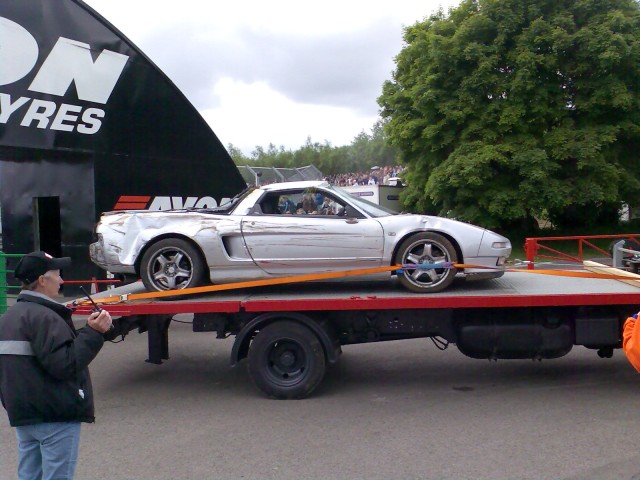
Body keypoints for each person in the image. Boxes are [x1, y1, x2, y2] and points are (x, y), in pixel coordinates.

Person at [0, 251, 113, 480]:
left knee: (29, 476)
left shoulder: (9, 317)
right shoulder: (47, 317)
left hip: (23, 414)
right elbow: (65, 364)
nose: (61, 280)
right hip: (55, 414)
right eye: (57, 274)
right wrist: (94, 333)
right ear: (42, 280)